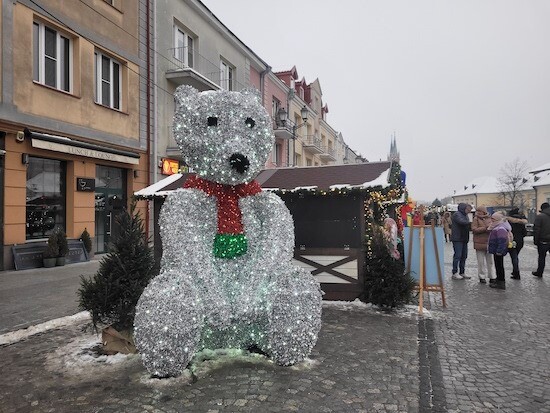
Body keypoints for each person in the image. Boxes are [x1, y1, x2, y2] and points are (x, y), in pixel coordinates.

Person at [487, 212, 512, 290]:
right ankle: (499, 281)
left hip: (498, 251)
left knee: (500, 266)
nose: (491, 220)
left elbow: (502, 241)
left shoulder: (500, 228)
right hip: (496, 250)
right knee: (498, 266)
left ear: (497, 219)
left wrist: (499, 251)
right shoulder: (497, 226)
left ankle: (501, 283)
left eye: (493, 219)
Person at [471, 205, 494, 284]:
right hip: (479, 242)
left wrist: (490, 228)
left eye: (479, 211)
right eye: (477, 211)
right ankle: (482, 277)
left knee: (490, 261)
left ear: (483, 211)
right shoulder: (475, 219)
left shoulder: (490, 218)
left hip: (488, 242)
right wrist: (485, 228)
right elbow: (474, 229)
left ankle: (492, 276)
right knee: (481, 262)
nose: (478, 212)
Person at [451, 203, 472, 279]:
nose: (469, 211)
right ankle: (455, 272)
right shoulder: (457, 214)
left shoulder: (465, 215)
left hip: (464, 238)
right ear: (463, 208)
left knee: (464, 256)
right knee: (458, 256)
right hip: (457, 238)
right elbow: (462, 222)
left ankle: (462, 272)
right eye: (467, 209)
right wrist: (471, 223)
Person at [506, 207, 528, 279]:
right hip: (520, 241)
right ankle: (514, 271)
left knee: (514, 256)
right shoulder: (521, 222)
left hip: (512, 241)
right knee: (515, 256)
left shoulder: (509, 222)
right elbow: (525, 233)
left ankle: (516, 273)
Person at [532, 202, 550, 278]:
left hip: (543, 240)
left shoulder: (540, 217)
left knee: (542, 257)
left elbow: (536, 229)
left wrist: (536, 240)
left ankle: (540, 272)